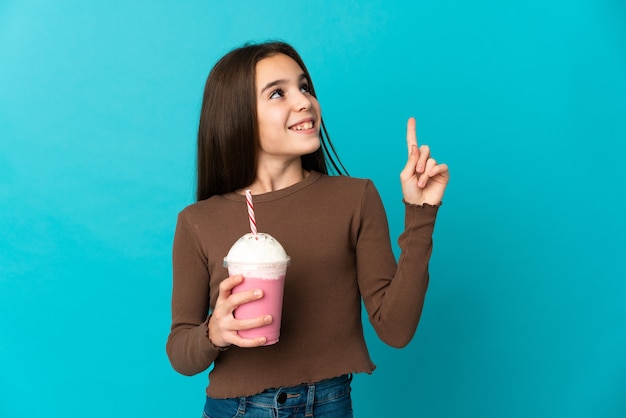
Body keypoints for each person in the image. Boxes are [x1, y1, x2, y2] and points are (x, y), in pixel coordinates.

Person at [166, 41, 449, 418]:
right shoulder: (197, 221)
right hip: (237, 409)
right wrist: (213, 333)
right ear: (237, 115)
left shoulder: (355, 198)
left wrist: (421, 213)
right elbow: (180, 352)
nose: (304, 102)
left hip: (330, 405)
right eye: (278, 93)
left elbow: (395, 331)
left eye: (305, 87)